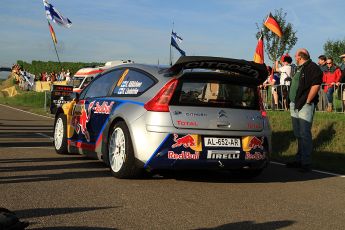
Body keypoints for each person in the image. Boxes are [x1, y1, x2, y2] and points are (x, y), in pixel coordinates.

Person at [286, 48, 322, 172]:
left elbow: (316, 85)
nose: (295, 57)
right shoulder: (299, 68)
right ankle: (299, 159)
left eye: (296, 55)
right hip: (295, 104)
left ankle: (306, 163)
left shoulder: (312, 67)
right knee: (298, 134)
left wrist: (307, 101)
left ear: (300, 56)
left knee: (305, 133)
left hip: (304, 105)